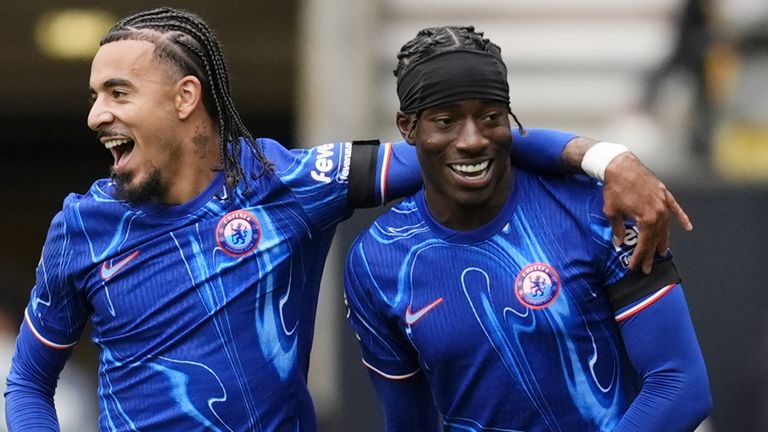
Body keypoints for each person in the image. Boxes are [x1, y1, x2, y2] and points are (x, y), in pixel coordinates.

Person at [4, 8, 691, 431]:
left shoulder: (288, 185)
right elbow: (29, 383)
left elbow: (458, 142)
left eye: (117, 92)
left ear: (186, 98)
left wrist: (604, 158)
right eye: (94, 96)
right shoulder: (81, 229)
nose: (96, 115)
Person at [344, 25, 712, 431]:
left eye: (490, 118)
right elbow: (408, 424)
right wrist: (605, 155)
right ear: (407, 128)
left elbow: (680, 385)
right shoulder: (376, 260)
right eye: (446, 120)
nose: (472, 140)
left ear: (509, 120)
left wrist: (608, 158)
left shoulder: (596, 210)